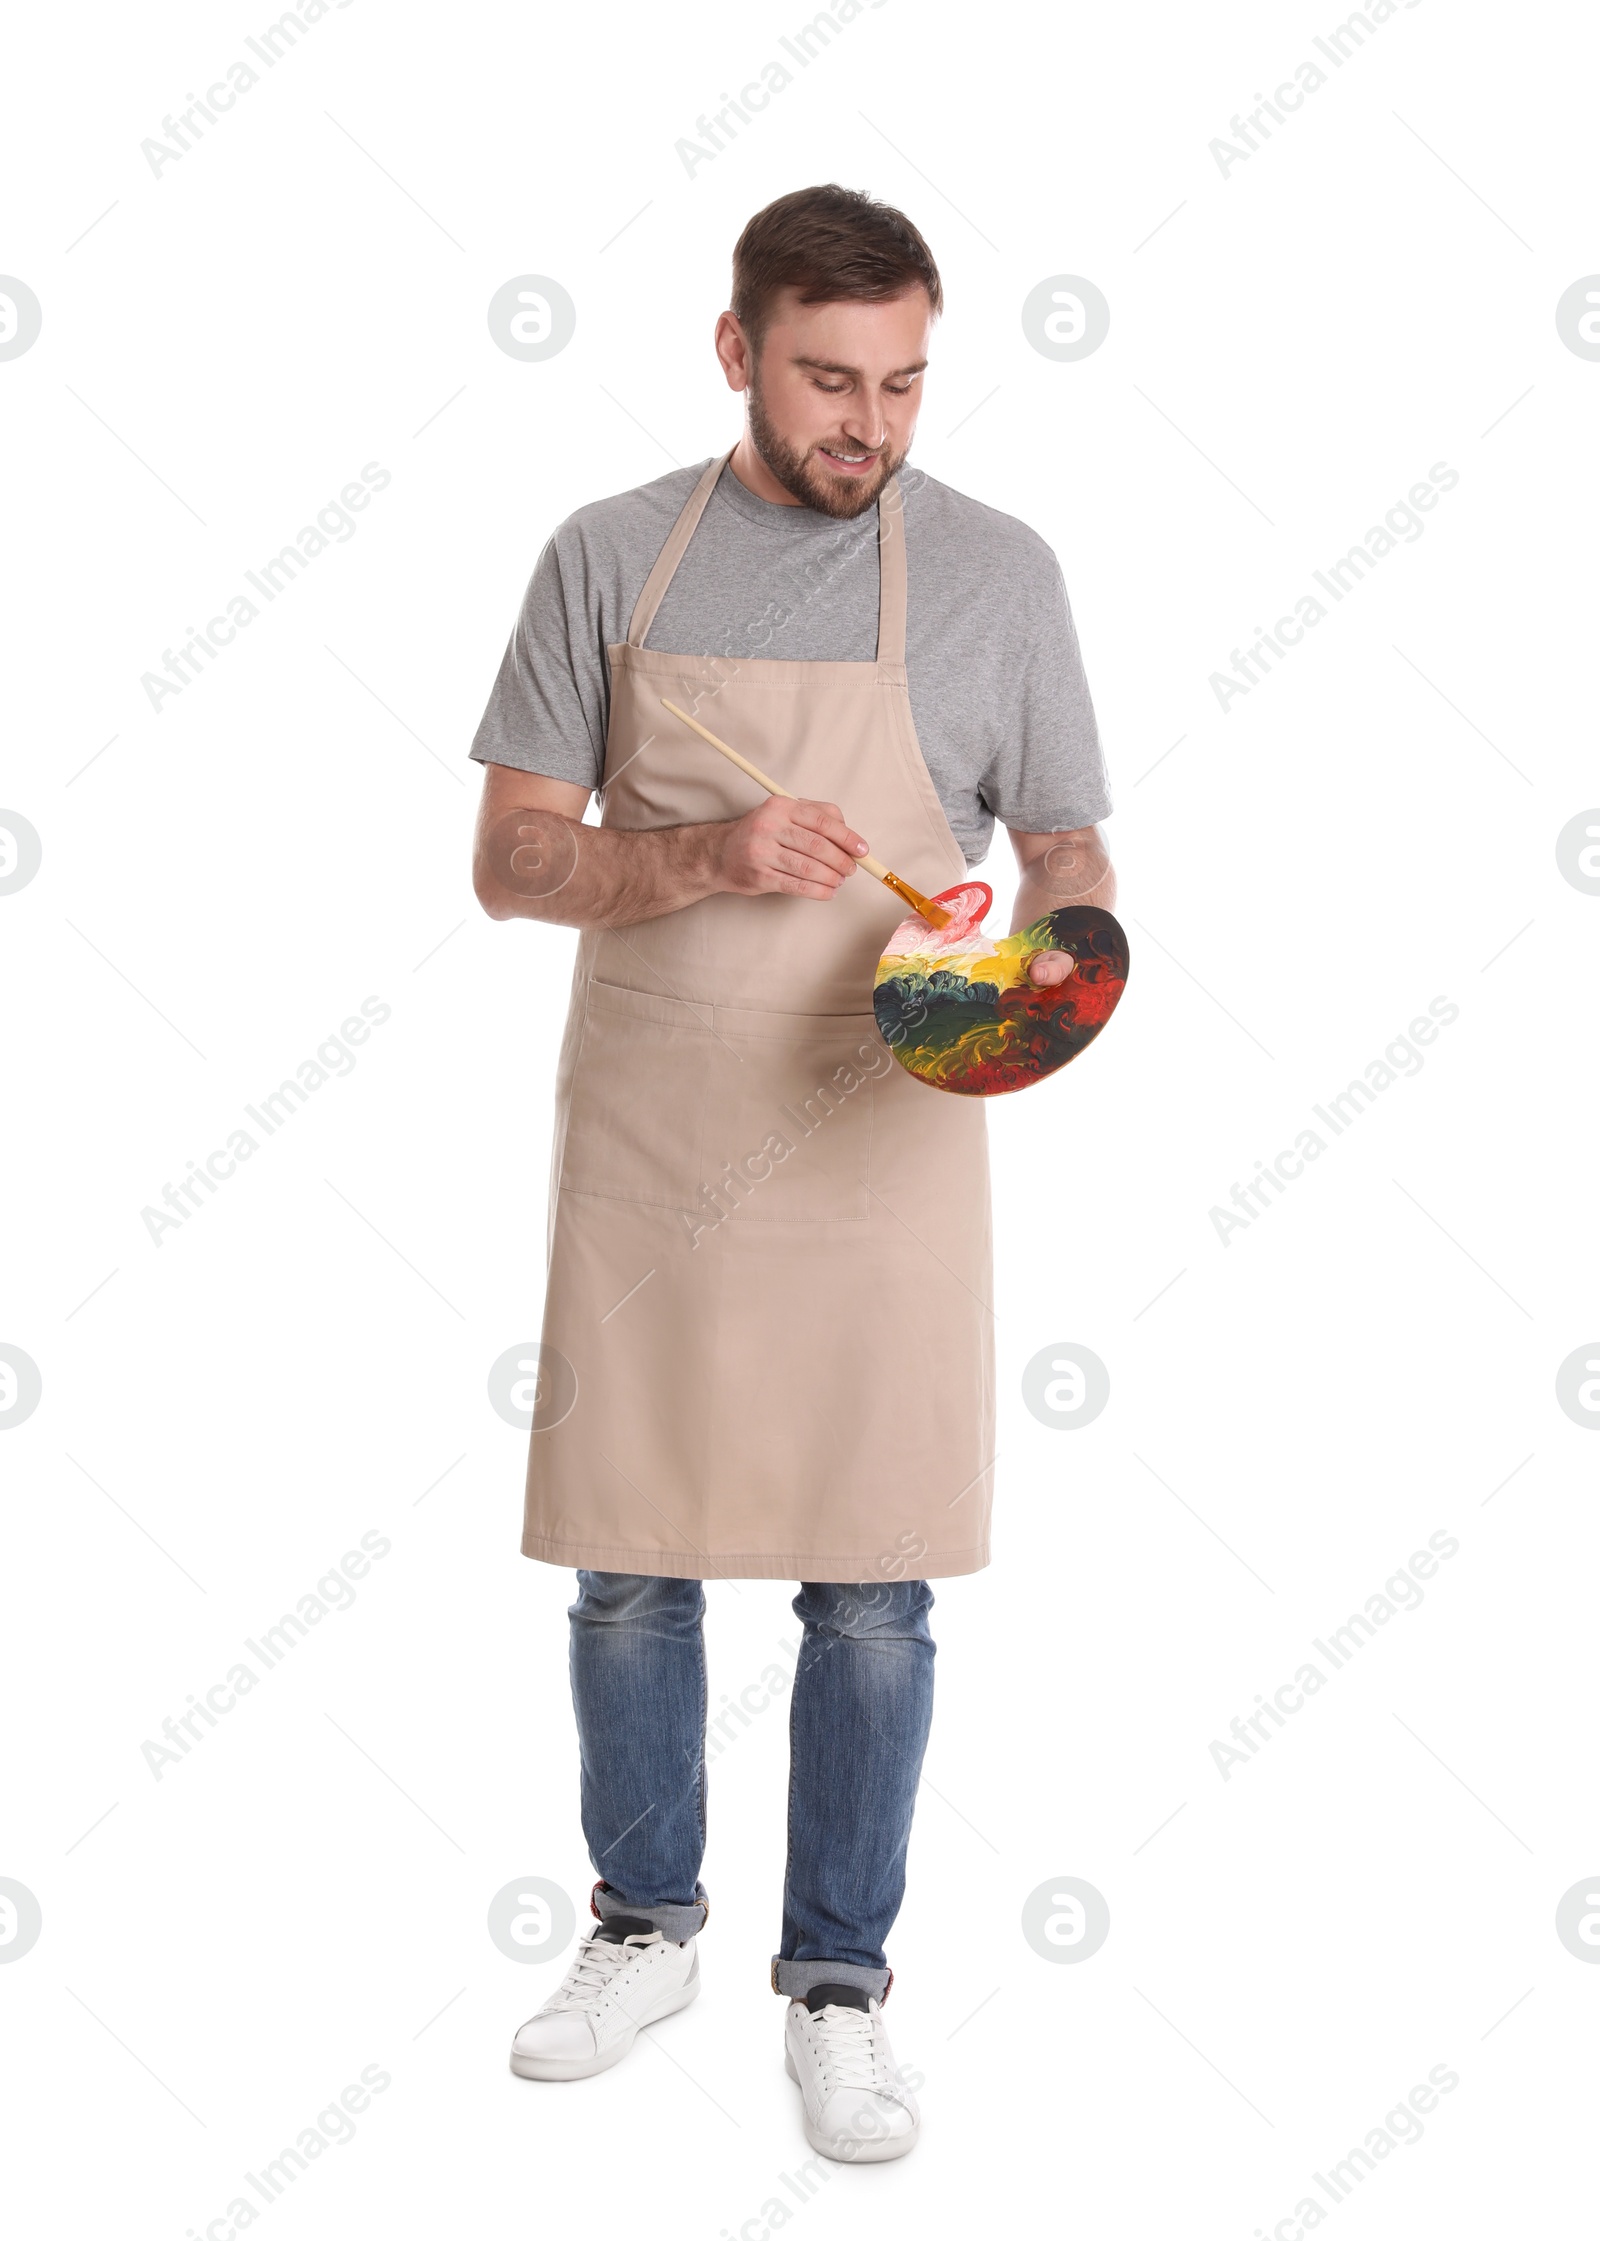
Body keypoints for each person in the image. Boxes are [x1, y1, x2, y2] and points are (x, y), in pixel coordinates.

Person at [469, 183, 1115, 2160]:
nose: (868, 422)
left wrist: (1048, 973)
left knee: (875, 1581)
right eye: (829, 378)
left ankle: (836, 1982)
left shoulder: (998, 573)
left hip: (883, 1128)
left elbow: (1071, 849)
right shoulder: (606, 557)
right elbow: (511, 861)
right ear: (735, 349)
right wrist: (698, 860)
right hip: (660, 1121)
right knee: (627, 1562)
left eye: (902, 381)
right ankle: (640, 1923)